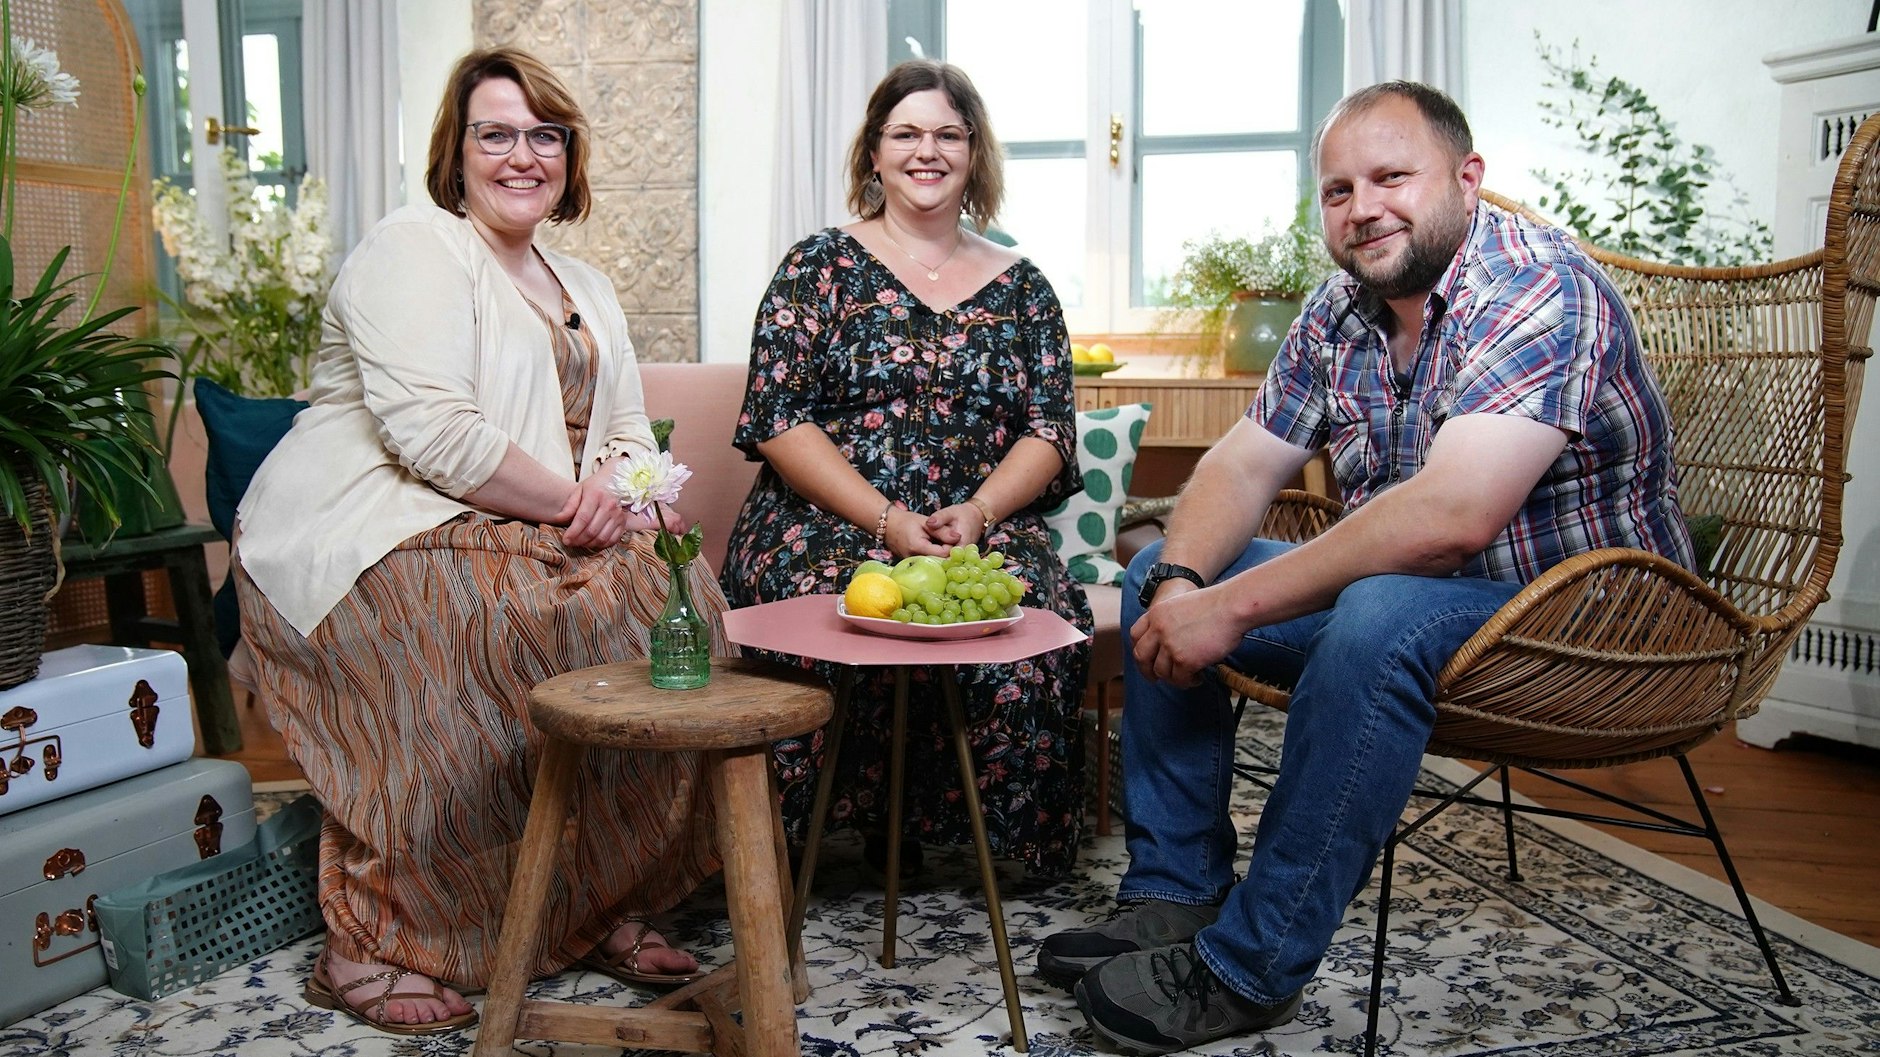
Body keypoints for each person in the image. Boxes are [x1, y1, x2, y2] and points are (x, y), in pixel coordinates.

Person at [1036, 81, 1696, 1054]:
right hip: (1431, 593)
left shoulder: (1533, 285)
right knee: (1153, 575)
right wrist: (1182, 585)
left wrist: (1227, 610)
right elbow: (1240, 460)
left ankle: (1250, 965)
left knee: (1375, 612)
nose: (1362, 206)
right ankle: (1174, 896)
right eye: (1338, 189)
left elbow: (1449, 517)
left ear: (1464, 181)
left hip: (1590, 608)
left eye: (1391, 176)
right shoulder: (1341, 306)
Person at [233, 48, 728, 1035]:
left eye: (543, 135)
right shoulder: (412, 248)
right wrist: (579, 507)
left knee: (682, 605)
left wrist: (621, 499)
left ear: (568, 154)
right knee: (492, 621)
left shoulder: (581, 279)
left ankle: (591, 901)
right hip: (373, 522)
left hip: (521, 514)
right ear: (456, 152)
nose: (521, 155)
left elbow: (627, 429)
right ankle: (370, 934)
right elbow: (432, 435)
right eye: (495, 133)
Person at [719, 59, 1092, 878]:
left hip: (974, 526)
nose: (928, 151)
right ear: (875, 154)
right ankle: (782, 840)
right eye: (906, 134)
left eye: (948, 134)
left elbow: (1050, 431)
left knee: (1038, 613)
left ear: (974, 153)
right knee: (816, 600)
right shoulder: (815, 267)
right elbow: (779, 419)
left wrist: (981, 513)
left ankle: (1010, 847)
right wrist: (885, 520)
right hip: (823, 516)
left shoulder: (1026, 288)